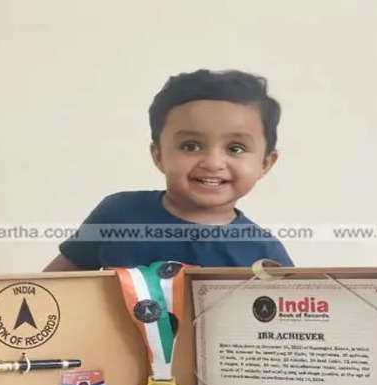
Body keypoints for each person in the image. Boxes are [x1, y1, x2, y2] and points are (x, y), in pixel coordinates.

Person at [44, 69, 294, 271]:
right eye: (191, 145)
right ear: (159, 155)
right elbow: (52, 291)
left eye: (236, 148)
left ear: (265, 163)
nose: (213, 162)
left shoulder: (265, 254)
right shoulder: (118, 214)